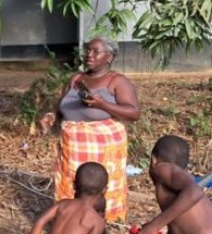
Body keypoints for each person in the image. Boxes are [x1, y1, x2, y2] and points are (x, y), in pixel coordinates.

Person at [40, 37, 140, 224]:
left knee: (98, 187)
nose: (89, 55)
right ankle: (70, 221)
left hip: (103, 149)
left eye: (96, 51)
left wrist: (103, 104)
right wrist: (53, 115)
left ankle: (99, 224)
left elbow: (134, 113)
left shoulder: (117, 81)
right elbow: (62, 104)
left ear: (109, 57)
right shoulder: (76, 79)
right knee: (73, 184)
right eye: (88, 50)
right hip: (73, 148)